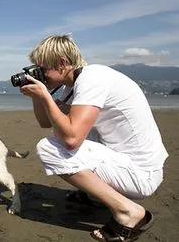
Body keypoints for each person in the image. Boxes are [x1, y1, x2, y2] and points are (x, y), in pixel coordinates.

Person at [19, 34, 168, 241]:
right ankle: (96, 198)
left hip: (141, 174)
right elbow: (46, 121)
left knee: (50, 148)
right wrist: (38, 97)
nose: (41, 75)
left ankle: (128, 212)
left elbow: (71, 139)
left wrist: (45, 95)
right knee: (69, 126)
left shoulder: (93, 78)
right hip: (134, 165)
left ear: (62, 63)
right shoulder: (75, 85)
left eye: (42, 69)